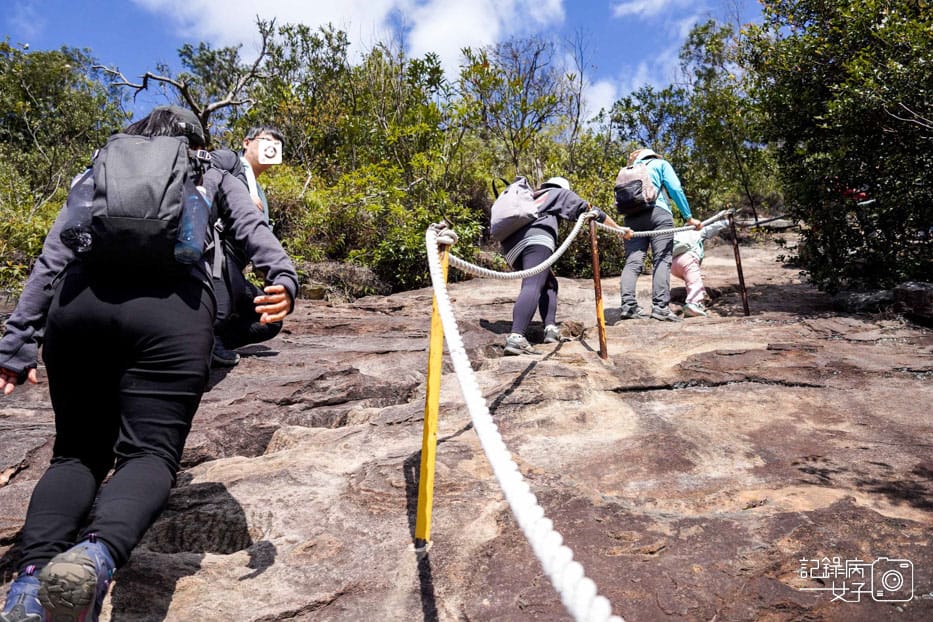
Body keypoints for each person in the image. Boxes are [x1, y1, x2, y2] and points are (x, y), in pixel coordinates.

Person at [0, 107, 298, 622]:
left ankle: (27, 588)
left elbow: (53, 255)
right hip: (174, 313)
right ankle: (94, 558)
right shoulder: (211, 169)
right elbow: (251, 229)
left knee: (75, 455)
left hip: (80, 308)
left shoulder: (99, 169)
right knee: (149, 455)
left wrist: (17, 339)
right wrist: (283, 279)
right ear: (193, 141)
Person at [501, 176, 619, 355]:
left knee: (549, 283)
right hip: (536, 240)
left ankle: (550, 329)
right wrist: (620, 229)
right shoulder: (558, 193)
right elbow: (589, 209)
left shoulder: (533, 197)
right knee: (533, 283)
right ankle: (516, 337)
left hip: (510, 248)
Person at [209, 126, 287, 367]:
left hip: (235, 264)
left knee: (271, 319)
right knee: (219, 312)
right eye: (266, 142)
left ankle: (213, 342)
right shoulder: (229, 161)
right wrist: (235, 188)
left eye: (276, 146)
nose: (271, 148)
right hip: (214, 257)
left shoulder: (259, 190)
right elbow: (198, 168)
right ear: (246, 143)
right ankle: (202, 342)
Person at [618, 148, 702, 322]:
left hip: (631, 219)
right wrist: (688, 217)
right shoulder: (660, 164)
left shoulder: (628, 171)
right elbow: (675, 188)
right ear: (653, 155)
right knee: (662, 259)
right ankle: (660, 308)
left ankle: (628, 306)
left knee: (633, 261)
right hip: (659, 214)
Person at [670, 219, 731, 317]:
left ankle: (699, 302)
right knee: (694, 282)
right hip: (688, 259)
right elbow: (713, 227)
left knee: (692, 280)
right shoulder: (696, 231)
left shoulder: (679, 232)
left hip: (673, 265)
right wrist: (726, 222)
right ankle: (693, 303)